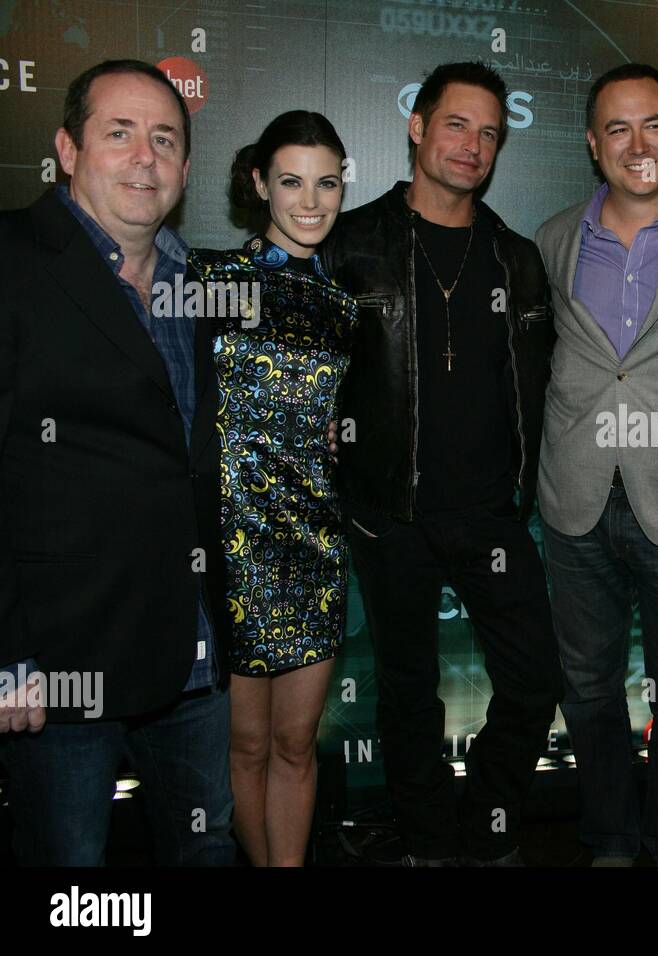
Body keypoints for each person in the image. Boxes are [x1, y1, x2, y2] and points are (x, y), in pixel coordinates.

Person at [320, 61, 561, 866]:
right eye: (457, 125)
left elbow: (538, 383)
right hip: (389, 514)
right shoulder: (351, 244)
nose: (473, 145)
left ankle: (486, 829)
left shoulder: (516, 259)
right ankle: (429, 846)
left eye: (491, 133)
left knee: (533, 683)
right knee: (408, 697)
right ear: (418, 127)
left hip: (493, 513)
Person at [0, 59, 233, 865]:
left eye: (165, 138)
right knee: (71, 874)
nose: (146, 157)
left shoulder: (193, 280)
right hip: (60, 671)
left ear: (187, 166)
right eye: (120, 133)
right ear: (67, 149)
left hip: (192, 656)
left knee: (205, 852)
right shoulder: (12, 262)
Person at [534, 63, 658, 865]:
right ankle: (609, 837)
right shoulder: (550, 240)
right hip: (573, 500)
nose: (636, 144)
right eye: (617, 128)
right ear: (592, 143)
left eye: (652, 124)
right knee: (587, 692)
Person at [188, 111, 357, 866]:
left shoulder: (349, 308)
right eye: (292, 181)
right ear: (259, 184)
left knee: (295, 743)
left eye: (327, 182)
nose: (311, 201)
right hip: (230, 546)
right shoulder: (207, 282)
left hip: (315, 543)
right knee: (247, 744)